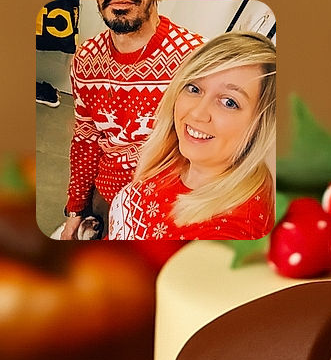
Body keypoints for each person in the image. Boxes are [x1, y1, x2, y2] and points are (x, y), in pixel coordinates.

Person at [106, 32, 276, 241]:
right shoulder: (174, 154)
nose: (197, 113)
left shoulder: (233, 232)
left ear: (261, 124)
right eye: (194, 88)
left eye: (229, 102)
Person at [60, 1, 203, 239]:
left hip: (168, 210)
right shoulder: (86, 58)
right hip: (106, 199)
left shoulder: (196, 58)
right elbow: (86, 138)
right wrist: (76, 208)